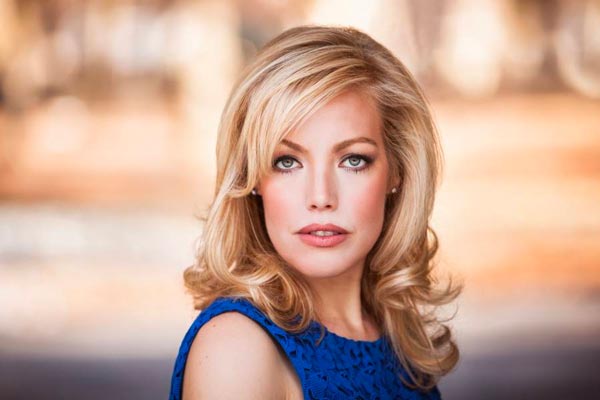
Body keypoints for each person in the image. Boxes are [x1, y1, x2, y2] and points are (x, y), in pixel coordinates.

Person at [169, 24, 462, 400]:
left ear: (397, 172)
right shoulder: (237, 348)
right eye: (287, 161)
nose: (321, 197)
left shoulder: (393, 334)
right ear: (252, 177)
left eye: (353, 160)